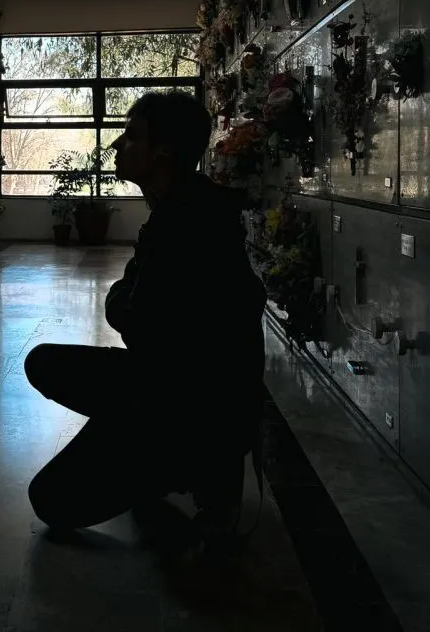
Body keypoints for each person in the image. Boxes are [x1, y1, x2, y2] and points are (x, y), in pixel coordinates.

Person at [25, 90, 267, 540]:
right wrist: (127, 304)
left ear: (163, 152)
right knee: (42, 362)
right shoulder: (177, 208)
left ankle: (196, 466)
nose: (118, 144)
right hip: (164, 381)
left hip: (191, 406)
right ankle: (155, 453)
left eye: (131, 135)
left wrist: (124, 303)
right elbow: (135, 308)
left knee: (51, 500)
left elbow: (136, 319)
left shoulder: (191, 222)